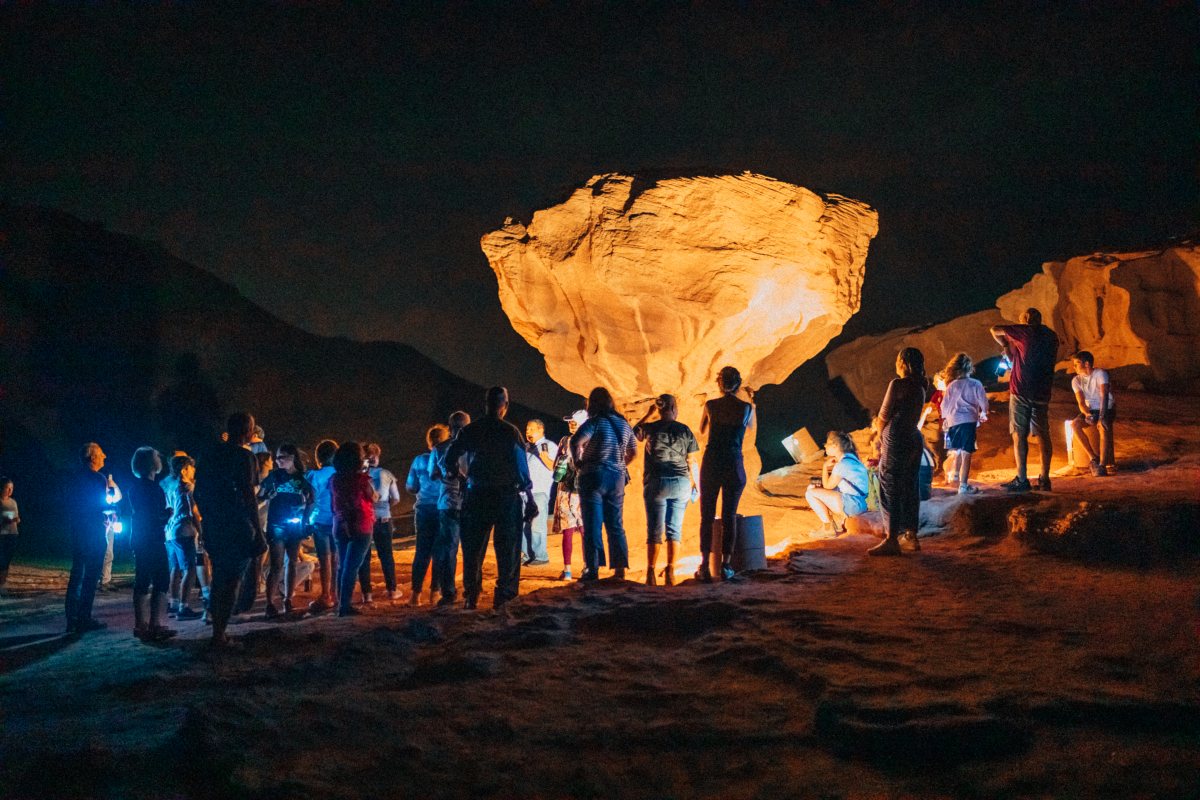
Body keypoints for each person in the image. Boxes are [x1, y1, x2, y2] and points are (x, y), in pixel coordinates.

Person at [444, 386, 536, 610]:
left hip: (476, 494)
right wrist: (530, 496)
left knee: (473, 549)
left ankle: (471, 596)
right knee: (509, 549)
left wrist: (461, 477)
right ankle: (504, 597)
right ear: (504, 406)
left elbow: (449, 458)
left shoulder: (471, 430)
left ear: (486, 404)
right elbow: (521, 468)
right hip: (506, 495)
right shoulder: (510, 432)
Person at [195, 413, 265, 648]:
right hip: (237, 524)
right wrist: (258, 531)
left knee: (218, 578)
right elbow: (248, 496)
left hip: (214, 524)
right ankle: (220, 634)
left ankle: (217, 631)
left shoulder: (208, 455)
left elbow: (198, 493)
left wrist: (208, 518)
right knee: (233, 580)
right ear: (248, 431)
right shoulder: (244, 457)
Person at [571, 387, 638, 582]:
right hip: (616, 478)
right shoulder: (624, 425)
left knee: (592, 524)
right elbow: (633, 452)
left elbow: (576, 441)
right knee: (616, 523)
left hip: (593, 475)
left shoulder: (595, 422)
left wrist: (578, 462)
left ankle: (592, 569)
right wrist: (618, 464)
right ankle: (619, 569)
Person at [991, 308, 1060, 492]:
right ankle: (1045, 478)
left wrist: (1006, 339)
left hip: (1021, 390)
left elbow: (994, 329)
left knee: (1019, 434)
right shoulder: (1052, 336)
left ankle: (1022, 479)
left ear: (1027, 320)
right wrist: (1008, 346)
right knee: (1043, 434)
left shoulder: (1025, 331)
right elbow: (1019, 358)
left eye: (1021, 320)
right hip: (1042, 392)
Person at [634, 394, 699, 586]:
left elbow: (631, 433)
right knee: (674, 529)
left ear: (660, 409)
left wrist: (647, 414)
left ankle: (651, 573)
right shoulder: (684, 430)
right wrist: (696, 484)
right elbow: (691, 460)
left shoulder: (651, 428)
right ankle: (671, 571)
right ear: (673, 408)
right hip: (681, 483)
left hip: (657, 483)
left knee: (654, 530)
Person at [697, 366, 754, 582]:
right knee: (729, 515)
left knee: (707, 515)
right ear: (738, 384)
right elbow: (750, 428)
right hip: (733, 462)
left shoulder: (711, 405)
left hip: (712, 462)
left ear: (719, 384)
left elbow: (702, 429)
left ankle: (704, 565)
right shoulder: (746, 408)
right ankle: (726, 565)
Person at [870, 348, 929, 556]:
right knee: (911, 485)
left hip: (895, 437)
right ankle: (911, 536)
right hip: (913, 436)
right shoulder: (922, 384)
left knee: (889, 484)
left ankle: (891, 538)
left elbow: (884, 414)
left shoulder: (898, 384)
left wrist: (879, 437)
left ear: (902, 363)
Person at [65, 442, 121, 633]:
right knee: (90, 575)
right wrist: (111, 512)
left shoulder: (74, 478)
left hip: (77, 529)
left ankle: (71, 619)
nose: (104, 456)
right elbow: (100, 504)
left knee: (77, 573)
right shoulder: (98, 479)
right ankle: (84, 618)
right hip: (94, 530)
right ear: (93, 458)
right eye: (101, 454)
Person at [260, 443, 314, 617]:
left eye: (282, 457)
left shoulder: (302, 478)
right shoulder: (273, 476)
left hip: (295, 524)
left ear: (292, 458)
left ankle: (287, 599)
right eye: (276, 457)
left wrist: (305, 518)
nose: (278, 460)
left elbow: (311, 499)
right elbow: (259, 495)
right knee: (276, 563)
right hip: (276, 523)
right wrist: (267, 496)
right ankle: (269, 603)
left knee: (291, 561)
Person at [128, 447, 175, 641]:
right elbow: (155, 516)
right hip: (154, 538)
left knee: (142, 579)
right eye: (157, 457)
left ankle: (140, 625)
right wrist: (168, 514)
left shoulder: (134, 488)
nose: (160, 459)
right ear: (152, 464)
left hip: (139, 537)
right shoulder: (155, 489)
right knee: (162, 580)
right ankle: (155, 624)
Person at [331, 441, 378, 617]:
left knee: (342, 565)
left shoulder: (335, 479)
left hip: (340, 523)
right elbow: (372, 496)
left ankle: (340, 603)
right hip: (361, 523)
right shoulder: (361, 479)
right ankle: (345, 606)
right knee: (352, 566)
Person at [429, 411, 470, 606]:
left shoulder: (439, 449)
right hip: (470, 501)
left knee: (448, 549)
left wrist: (447, 478)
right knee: (471, 547)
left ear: (450, 426)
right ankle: (471, 589)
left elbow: (432, 474)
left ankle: (448, 591)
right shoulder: (473, 447)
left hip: (447, 502)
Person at [405, 430, 447, 605]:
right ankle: (435, 592)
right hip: (442, 508)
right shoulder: (447, 458)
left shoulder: (418, 461)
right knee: (439, 551)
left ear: (429, 442)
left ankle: (415, 594)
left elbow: (411, 487)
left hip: (423, 509)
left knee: (422, 552)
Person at [939, 353, 989, 494]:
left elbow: (945, 406)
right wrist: (984, 413)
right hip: (969, 421)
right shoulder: (975, 384)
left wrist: (946, 421)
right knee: (967, 453)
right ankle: (963, 486)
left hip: (954, 422)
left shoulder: (952, 385)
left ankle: (955, 475)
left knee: (958, 451)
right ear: (969, 368)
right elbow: (983, 402)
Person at [805, 431, 870, 537]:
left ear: (835, 446)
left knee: (810, 493)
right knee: (813, 487)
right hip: (859, 503)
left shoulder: (842, 465)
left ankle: (828, 528)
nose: (825, 446)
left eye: (827, 443)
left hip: (852, 504)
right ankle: (835, 524)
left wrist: (825, 467)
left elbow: (827, 486)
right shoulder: (853, 459)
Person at [162, 454, 204, 621]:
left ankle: (173, 604)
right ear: (185, 469)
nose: (193, 470)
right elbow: (192, 511)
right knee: (190, 569)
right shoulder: (186, 487)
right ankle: (183, 607)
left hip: (170, 532)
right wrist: (201, 531)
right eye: (191, 467)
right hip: (184, 531)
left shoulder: (167, 485)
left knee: (175, 569)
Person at [551, 410, 586, 581]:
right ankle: (587, 568)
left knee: (570, 531)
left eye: (573, 422)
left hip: (567, 490)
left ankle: (567, 571)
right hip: (582, 491)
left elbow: (555, 465)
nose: (570, 424)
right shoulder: (591, 441)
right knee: (580, 531)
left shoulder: (566, 441)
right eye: (570, 422)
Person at [1069, 350, 1116, 476]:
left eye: (1077, 364)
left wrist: (1101, 417)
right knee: (1075, 425)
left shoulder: (1100, 374)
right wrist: (1087, 414)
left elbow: (1104, 396)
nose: (1074, 367)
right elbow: (1081, 402)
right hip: (1091, 409)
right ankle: (1093, 458)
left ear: (1087, 364)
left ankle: (1102, 465)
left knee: (1103, 426)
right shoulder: (1076, 380)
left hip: (1106, 407)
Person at [306, 439, 340, 613]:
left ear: (318, 457)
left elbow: (311, 500)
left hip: (320, 520)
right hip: (337, 519)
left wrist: (306, 519)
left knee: (324, 559)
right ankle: (336, 594)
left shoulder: (314, 475)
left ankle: (325, 595)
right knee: (336, 559)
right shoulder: (340, 473)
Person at [522, 419, 557, 567]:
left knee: (537, 525)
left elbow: (554, 468)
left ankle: (541, 556)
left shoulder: (549, 445)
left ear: (541, 429)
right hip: (523, 492)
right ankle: (527, 554)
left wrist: (543, 456)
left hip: (539, 491)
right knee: (523, 524)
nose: (528, 432)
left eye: (531, 429)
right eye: (527, 429)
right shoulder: (525, 447)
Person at [0, 477, 20, 596]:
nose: (9, 490)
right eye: (7, 488)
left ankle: (2, 583)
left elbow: (15, 517)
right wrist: (6, 520)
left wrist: (16, 519)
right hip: (1, 534)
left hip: (12, 534)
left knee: (7, 560)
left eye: (11, 488)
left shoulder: (13, 502)